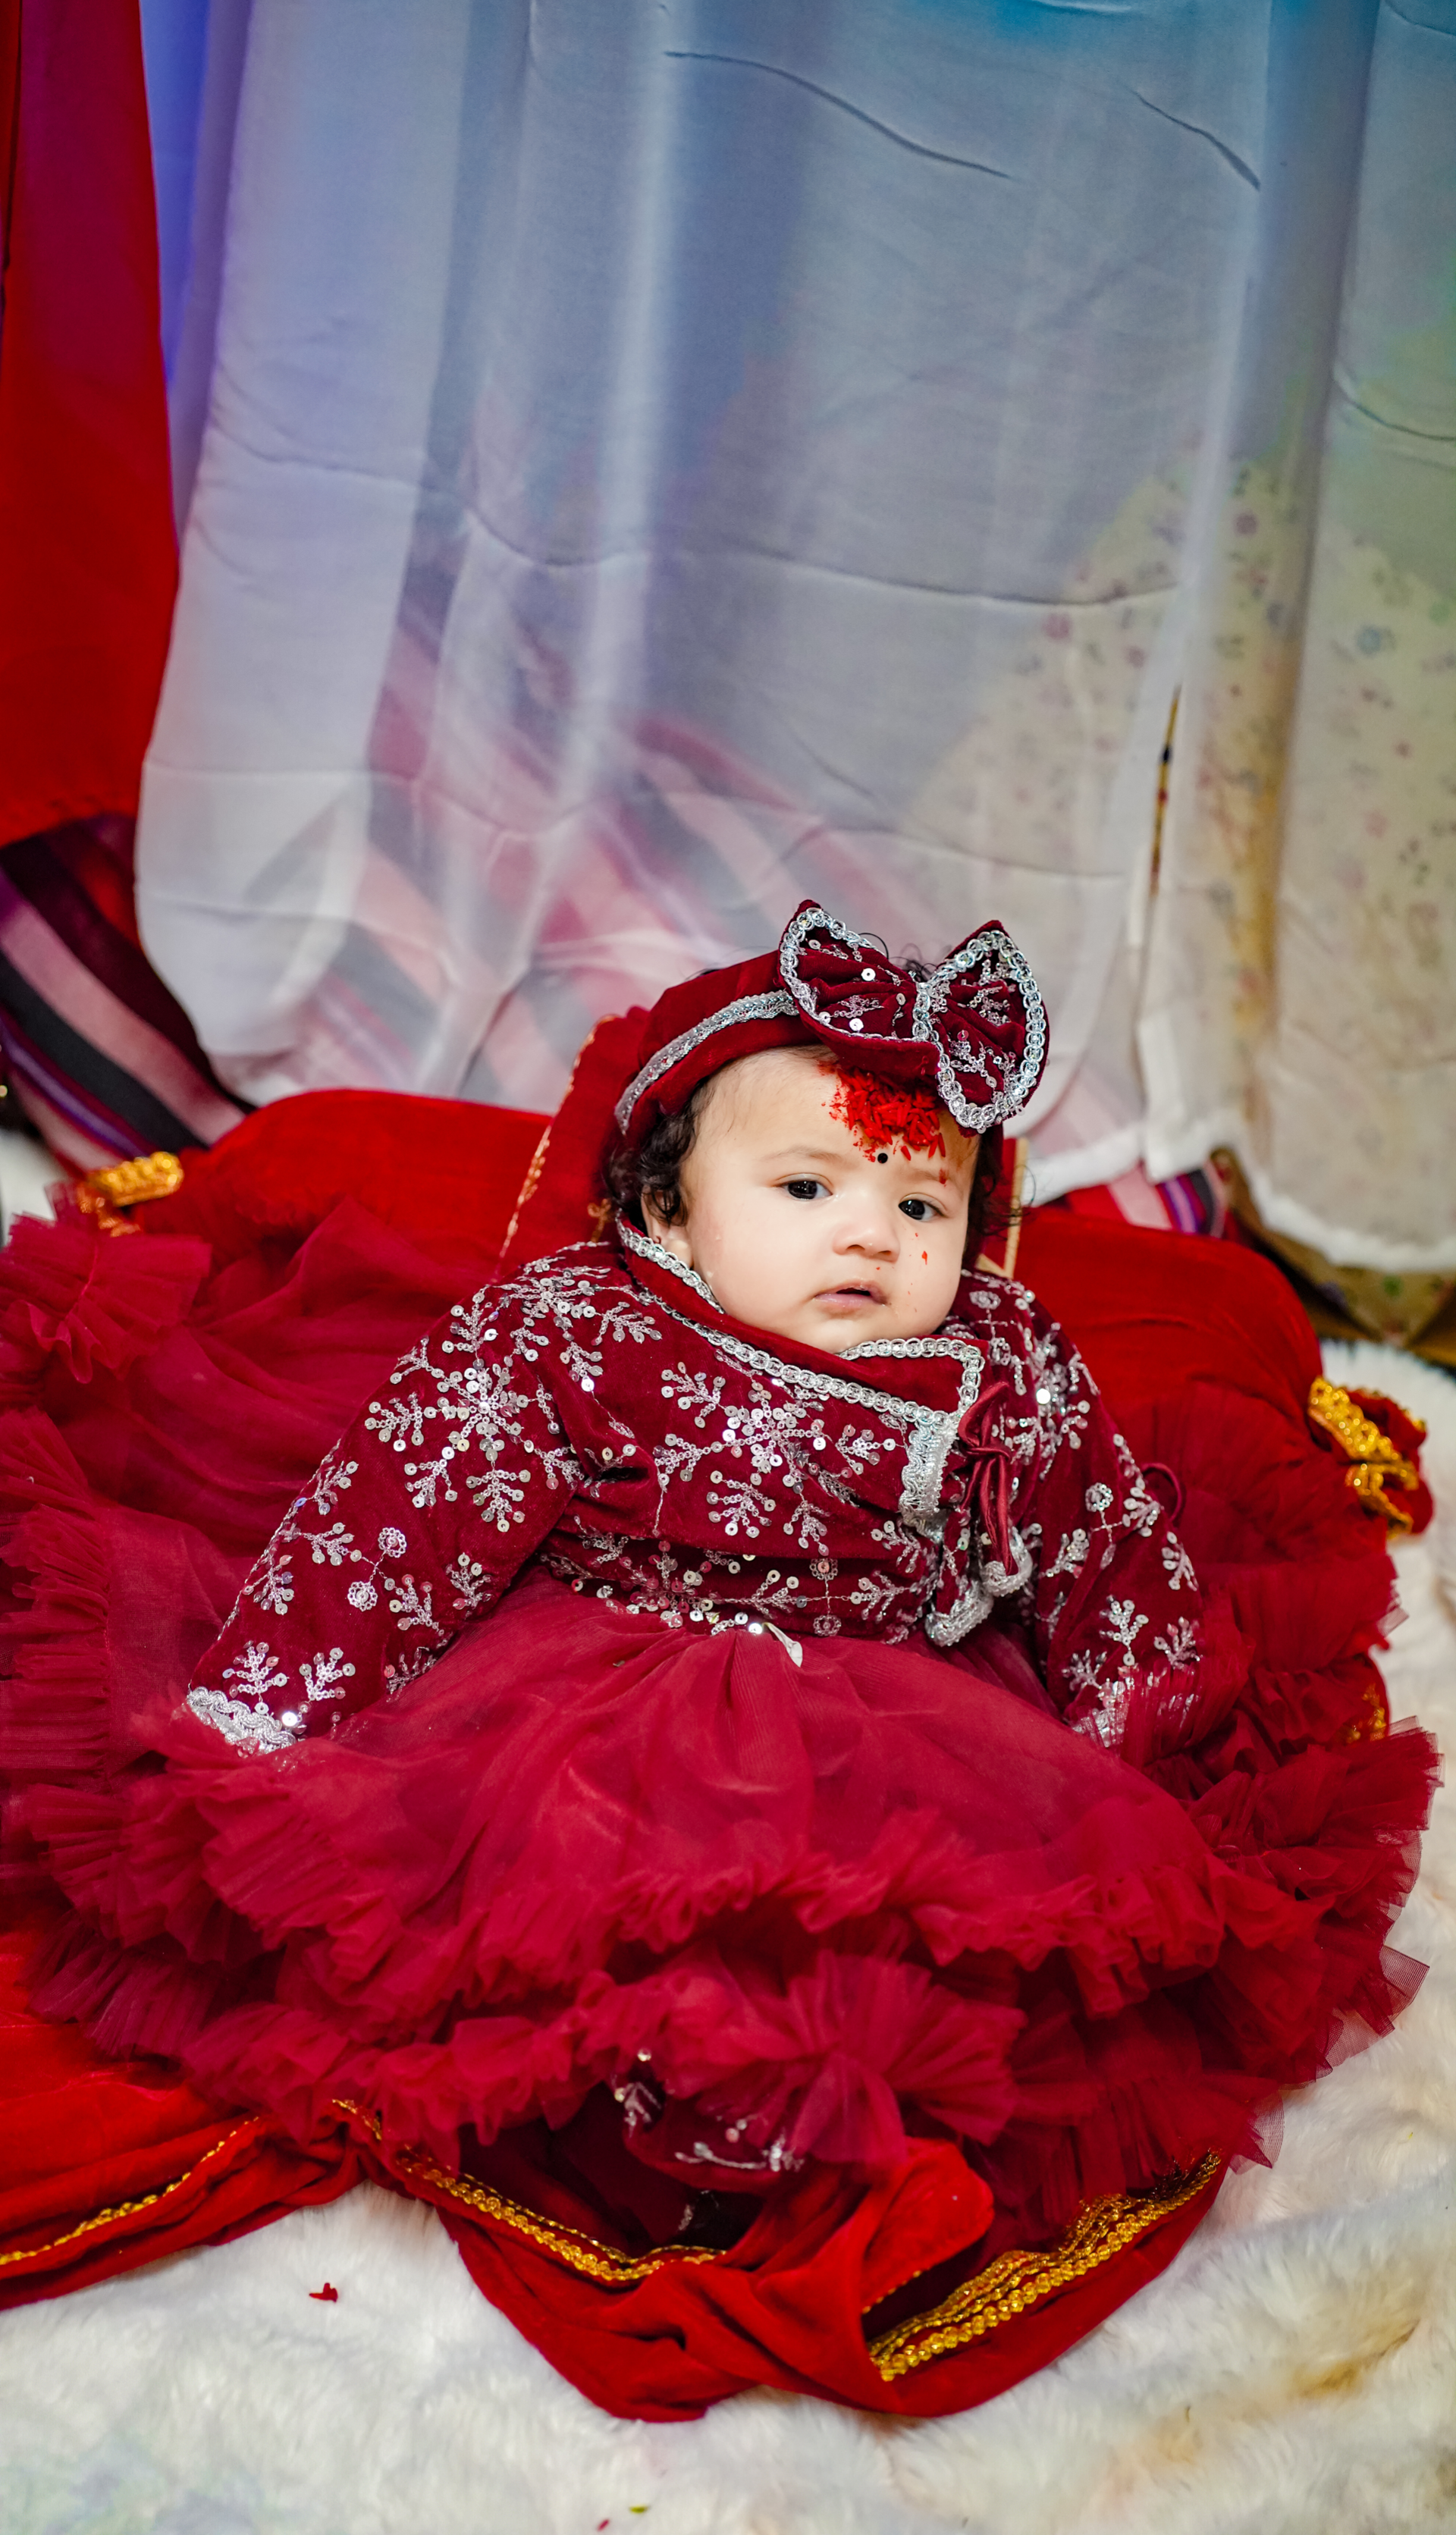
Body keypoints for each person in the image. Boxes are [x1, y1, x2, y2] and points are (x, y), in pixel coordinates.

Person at [0, 903, 1436, 2417]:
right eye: (809, 1185)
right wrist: (268, 1713)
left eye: (923, 1203)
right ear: (670, 1214)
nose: (872, 1232)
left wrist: (1141, 1727)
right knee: (568, 1872)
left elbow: (1096, 1543)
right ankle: (625, 2085)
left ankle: (781, 2099)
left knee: (903, 1909)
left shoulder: (1006, 1364)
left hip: (897, 1704)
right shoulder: (581, 1332)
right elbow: (412, 1511)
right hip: (601, 1670)